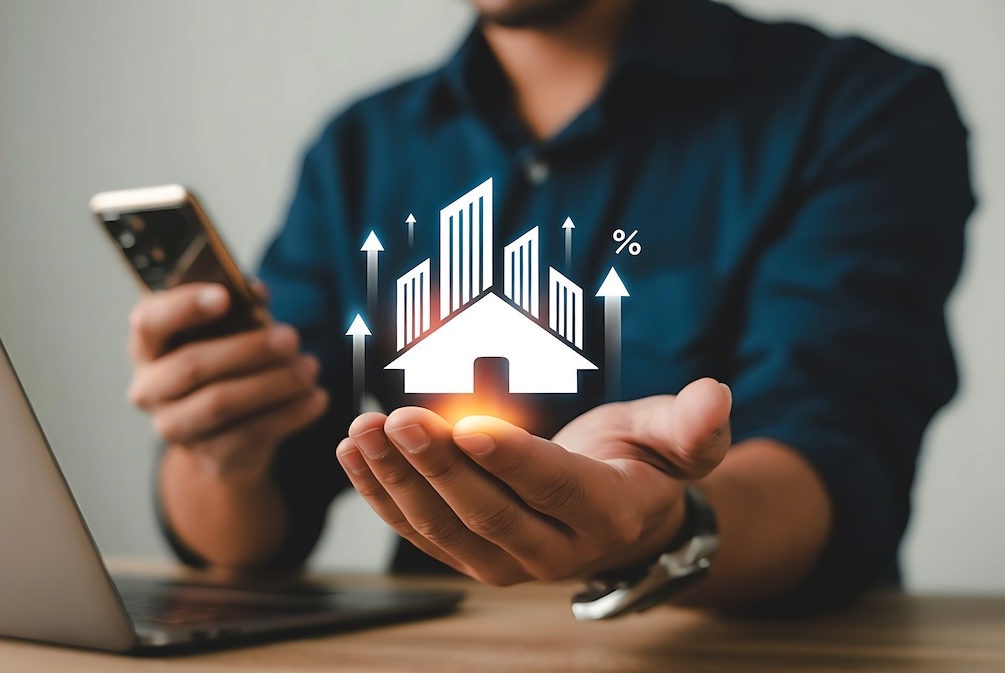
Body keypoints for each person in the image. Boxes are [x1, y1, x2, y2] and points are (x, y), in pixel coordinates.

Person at [126, 0, 973, 614]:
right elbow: (254, 530)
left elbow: (835, 450)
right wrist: (218, 452)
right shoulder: (361, 147)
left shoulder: (857, 108)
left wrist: (660, 522)